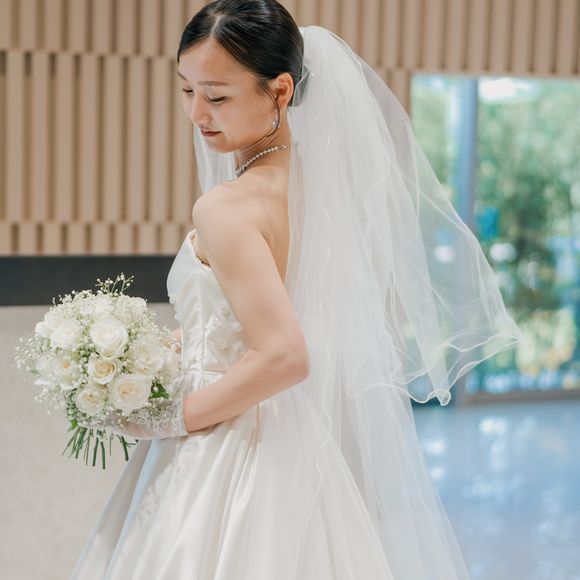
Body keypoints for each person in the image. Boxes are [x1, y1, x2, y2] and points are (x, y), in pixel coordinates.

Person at [70, 1, 524, 578]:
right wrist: (165, 349)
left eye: (217, 96)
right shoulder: (327, 191)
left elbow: (285, 354)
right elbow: (268, 314)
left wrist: (170, 418)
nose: (197, 113)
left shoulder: (225, 207)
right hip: (301, 442)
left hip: (227, 444)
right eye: (186, 90)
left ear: (280, 91)